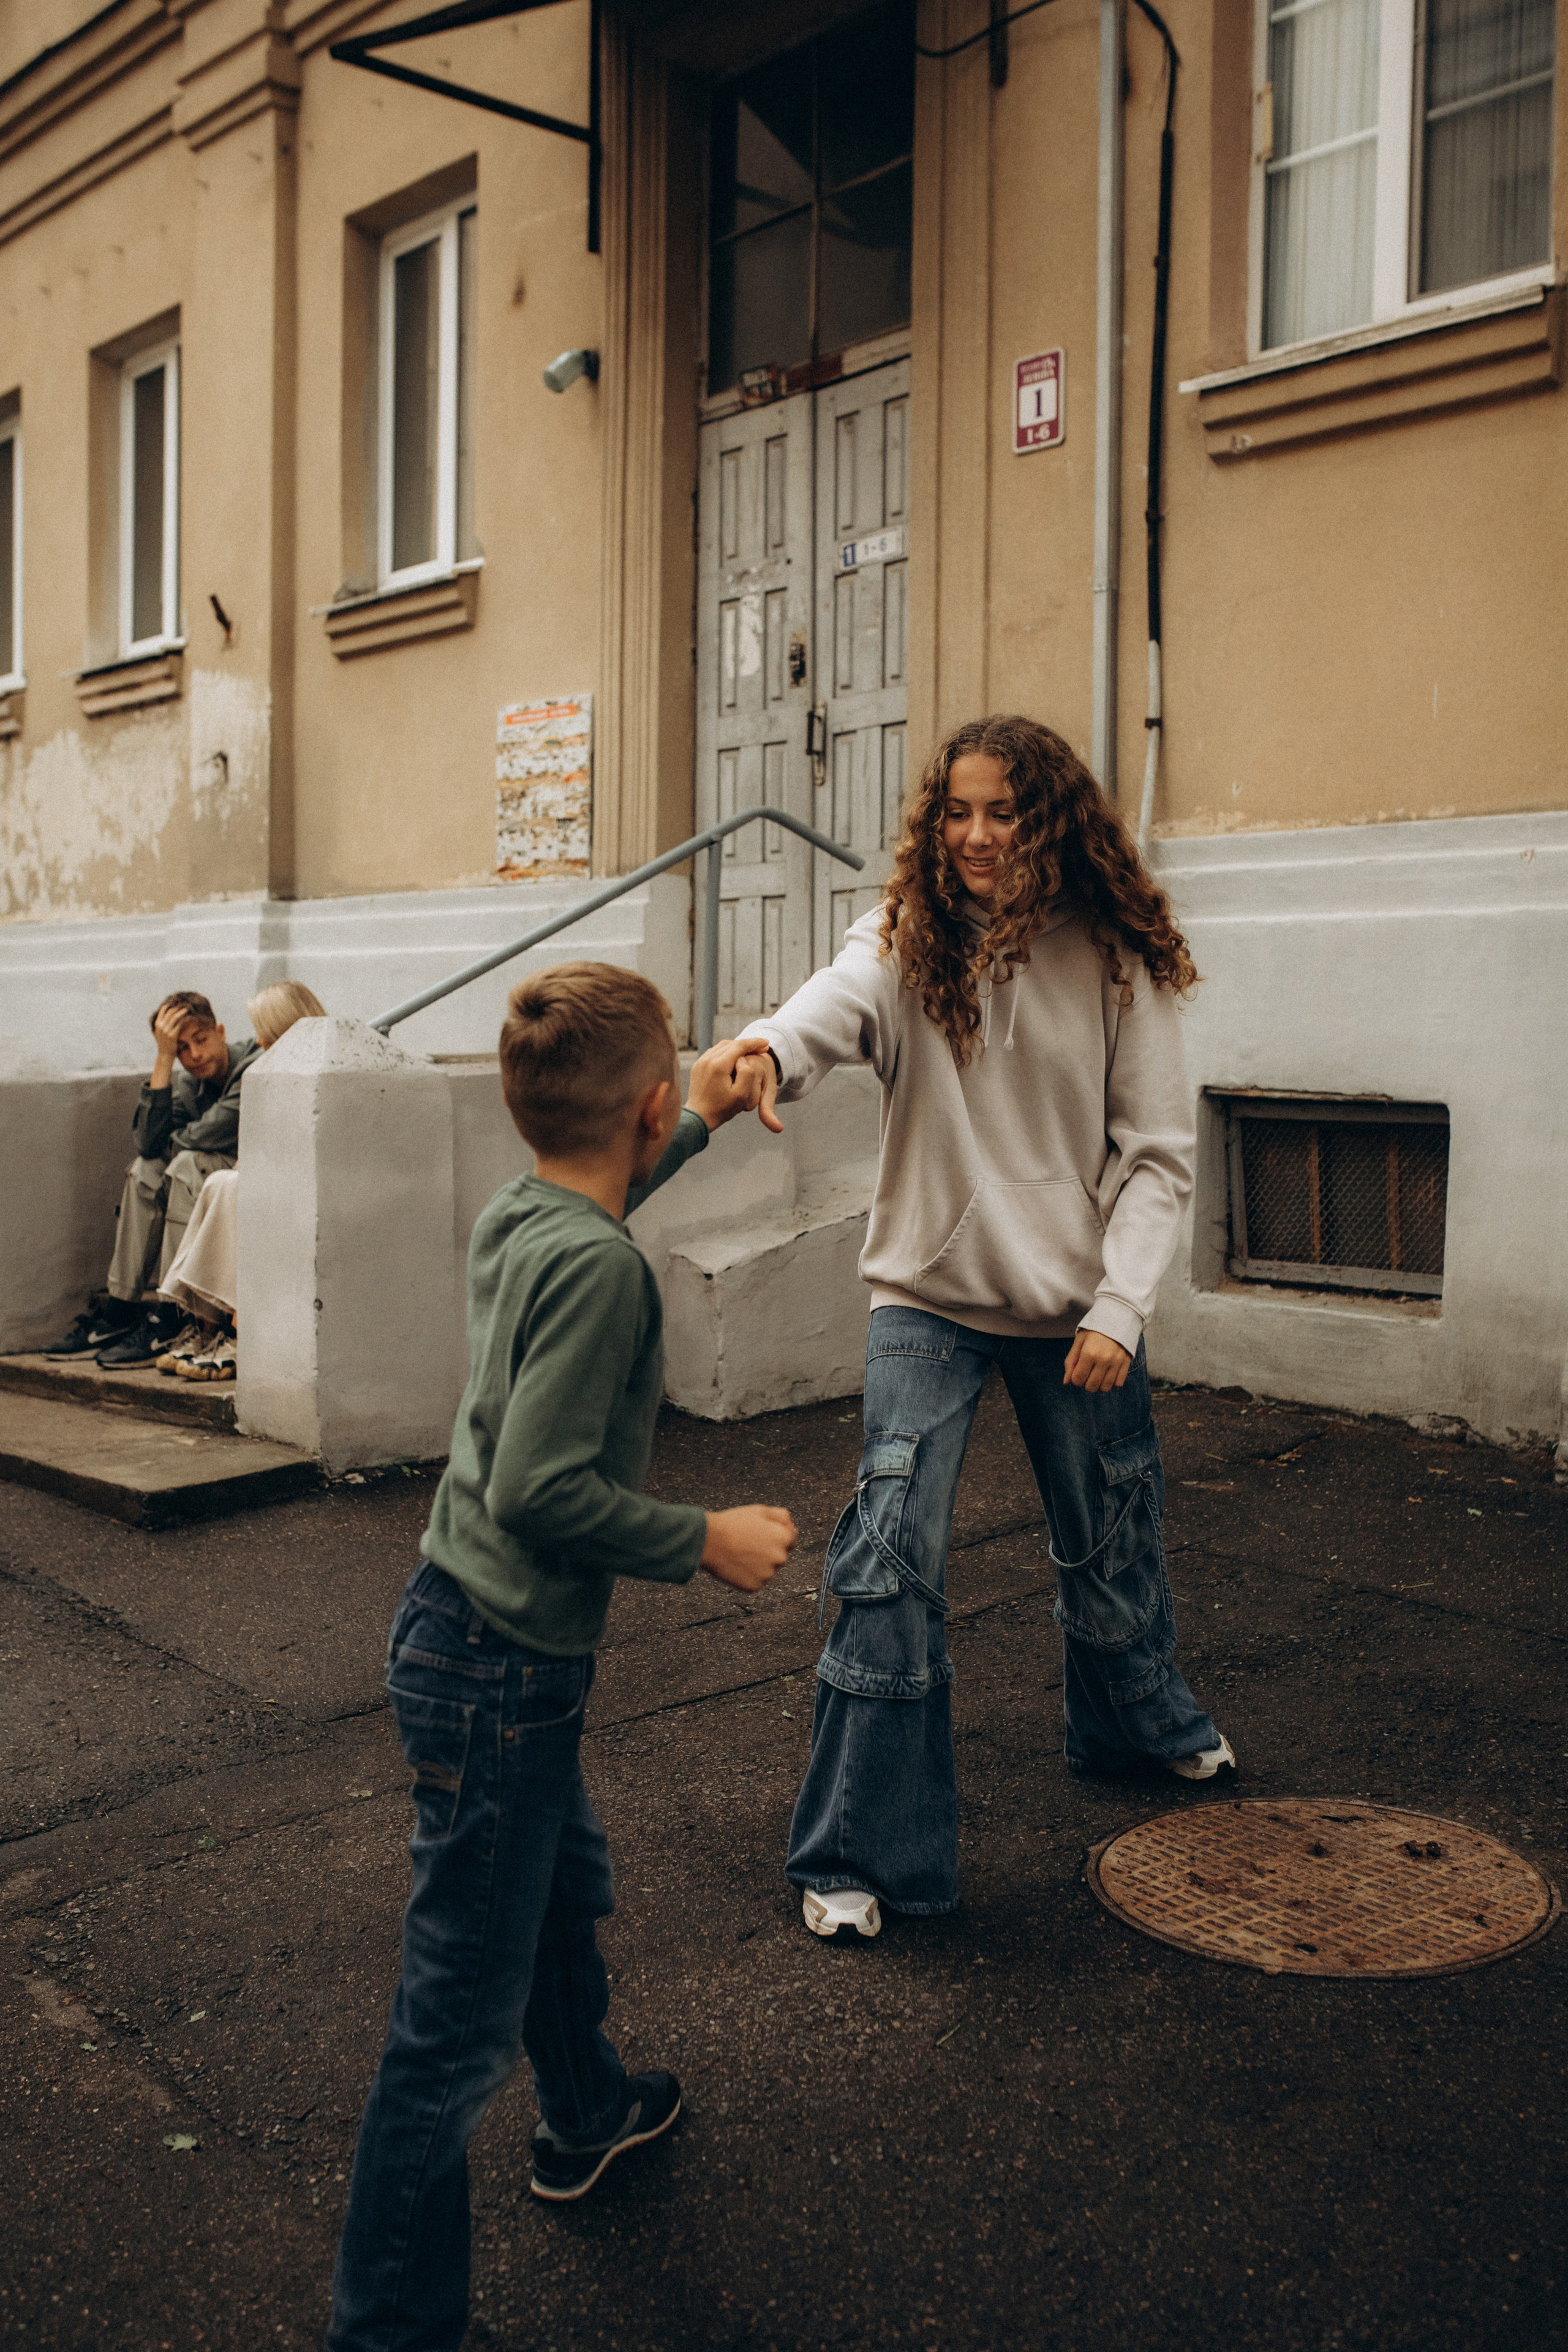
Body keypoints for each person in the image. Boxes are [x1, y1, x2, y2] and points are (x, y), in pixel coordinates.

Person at [327, 963, 797, 2352]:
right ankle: (391, 2326)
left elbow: (600, 1208)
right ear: (645, 1107)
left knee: (548, 1892)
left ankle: (586, 2111)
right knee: (452, 2025)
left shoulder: (523, 1208)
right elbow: (540, 1488)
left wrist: (694, 1113)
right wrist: (696, 1534)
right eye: (676, 1103)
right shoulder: (595, 1270)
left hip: (454, 1630)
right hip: (501, 1671)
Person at [726, 714, 1233, 1945]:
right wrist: (761, 1050)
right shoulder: (903, 941)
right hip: (928, 1302)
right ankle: (856, 1851)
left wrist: (1118, 1305)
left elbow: (1159, 1159)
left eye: (1000, 812)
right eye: (954, 811)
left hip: (1076, 1312)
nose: (972, 835)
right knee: (885, 1557)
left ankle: (1134, 1725)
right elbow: (832, 1005)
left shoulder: (1115, 955)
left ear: (1048, 818)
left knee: (1110, 1531)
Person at [45, 990, 260, 1369]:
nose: (194, 1055)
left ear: (221, 1032)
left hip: (252, 1182)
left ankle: (173, 1314)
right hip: (209, 1174)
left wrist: (171, 1143)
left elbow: (207, 1136)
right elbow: (148, 1145)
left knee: (185, 1163)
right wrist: (162, 1060)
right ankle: (121, 1309)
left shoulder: (251, 1067)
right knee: (146, 1170)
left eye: (201, 1040)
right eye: (180, 1049)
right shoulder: (189, 1082)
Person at [156, 982, 328, 1382]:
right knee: (221, 1183)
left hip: (311, 1186)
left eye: (268, 1034)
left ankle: (226, 1330)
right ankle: (208, 1327)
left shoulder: (315, 1069)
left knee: (229, 1187)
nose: (261, 1043)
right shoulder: (276, 1070)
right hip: (285, 1180)